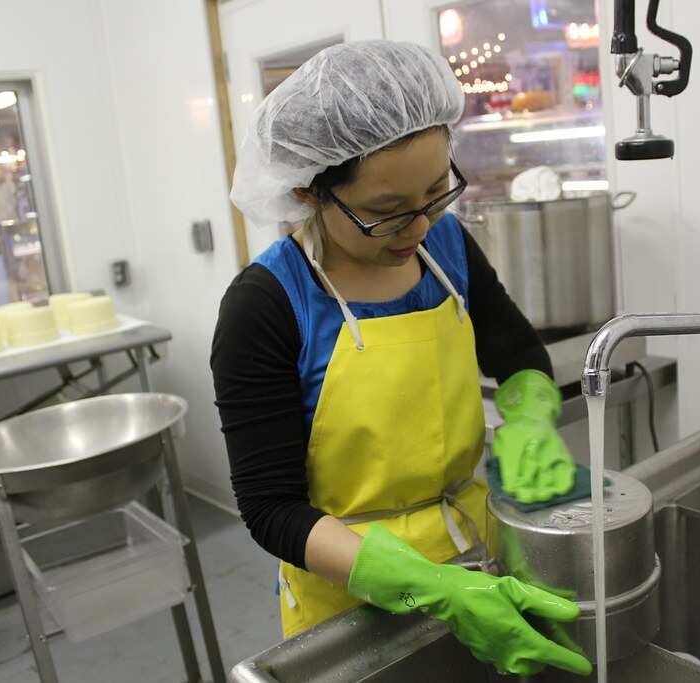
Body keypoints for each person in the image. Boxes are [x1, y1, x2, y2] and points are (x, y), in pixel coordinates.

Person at [211, 40, 591, 677]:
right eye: (386, 213)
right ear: (309, 193)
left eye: (436, 191)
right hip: (350, 596)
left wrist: (530, 416)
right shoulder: (267, 306)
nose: (417, 227)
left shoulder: (444, 245)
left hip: (479, 553)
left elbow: (517, 349)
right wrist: (429, 585)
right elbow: (271, 509)